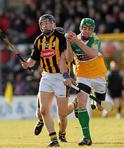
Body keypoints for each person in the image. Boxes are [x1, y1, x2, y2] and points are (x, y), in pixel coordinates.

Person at [21, 14, 72, 147]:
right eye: (43, 23)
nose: (46, 25)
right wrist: (27, 64)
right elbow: (33, 60)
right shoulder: (38, 40)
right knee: (43, 110)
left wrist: (66, 76)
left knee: (63, 114)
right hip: (47, 76)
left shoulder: (61, 38)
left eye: (49, 23)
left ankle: (62, 131)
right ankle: (54, 140)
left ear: (54, 24)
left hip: (61, 76)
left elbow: (66, 58)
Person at [65, 18, 108, 146]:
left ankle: (95, 101)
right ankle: (86, 137)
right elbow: (69, 58)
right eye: (85, 28)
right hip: (82, 75)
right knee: (83, 102)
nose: (87, 31)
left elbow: (92, 54)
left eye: (90, 29)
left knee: (100, 108)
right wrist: (68, 43)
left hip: (99, 75)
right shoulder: (74, 40)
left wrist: (76, 41)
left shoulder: (96, 39)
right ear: (81, 28)